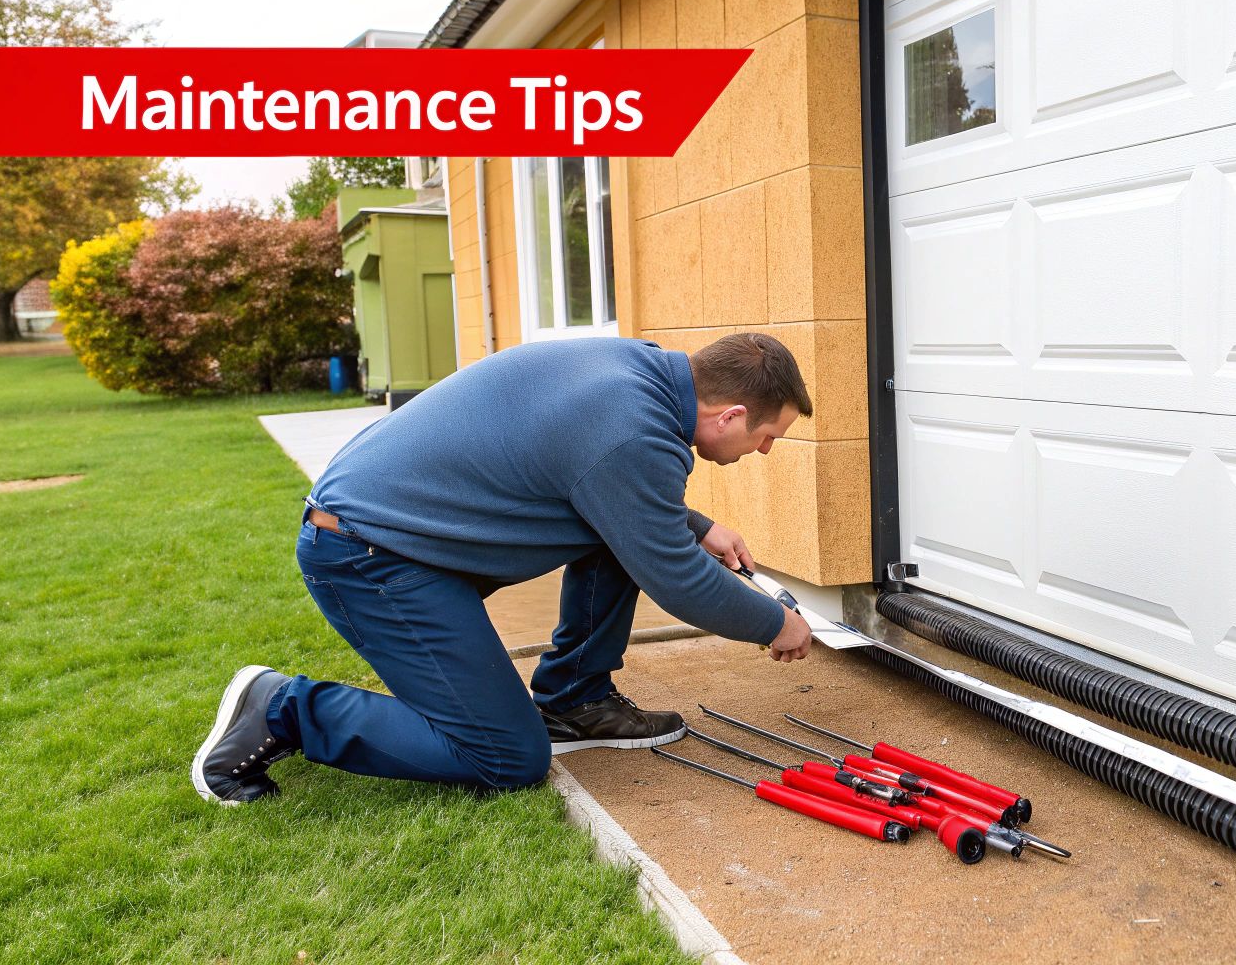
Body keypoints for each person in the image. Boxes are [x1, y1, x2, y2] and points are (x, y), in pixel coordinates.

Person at [191, 333, 815, 805]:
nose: (763, 451)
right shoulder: (632, 429)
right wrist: (773, 622)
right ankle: (282, 709)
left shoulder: (641, 372)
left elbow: (613, 486)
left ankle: (576, 699)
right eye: (767, 437)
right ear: (730, 414)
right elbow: (678, 580)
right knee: (505, 756)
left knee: (620, 536)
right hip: (368, 558)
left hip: (402, 532)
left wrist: (699, 527)